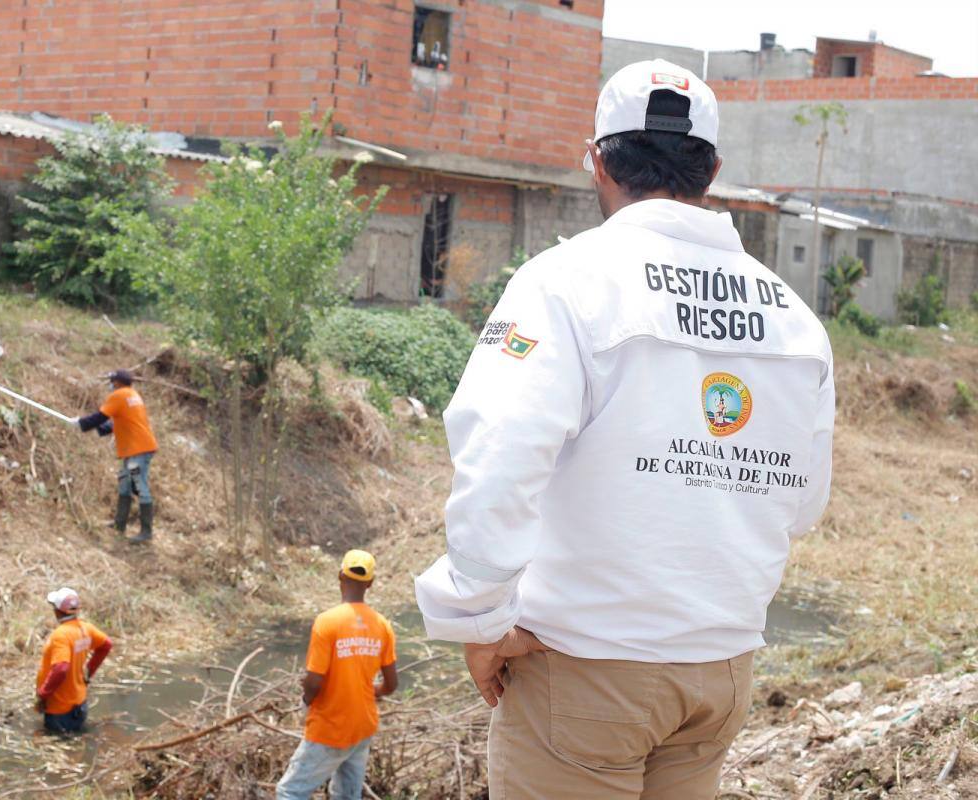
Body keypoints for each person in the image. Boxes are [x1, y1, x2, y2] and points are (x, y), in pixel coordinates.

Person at [414, 59, 835, 800]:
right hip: (722, 675)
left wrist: (478, 620)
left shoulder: (564, 283)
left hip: (586, 670)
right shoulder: (794, 319)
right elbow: (802, 507)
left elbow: (500, 452)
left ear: (599, 161)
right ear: (714, 171)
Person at [276, 550, 399, 800]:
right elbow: (391, 684)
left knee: (289, 792)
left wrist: (305, 702)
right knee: (346, 795)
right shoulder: (382, 625)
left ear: (339, 576)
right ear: (371, 584)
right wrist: (368, 691)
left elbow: (314, 681)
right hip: (363, 725)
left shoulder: (327, 622)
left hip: (331, 726)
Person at [77, 369, 159, 543]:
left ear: (117, 382)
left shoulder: (119, 395)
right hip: (137, 447)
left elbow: (101, 417)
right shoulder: (133, 395)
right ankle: (119, 524)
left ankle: (146, 533)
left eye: (112, 381)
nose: (110, 384)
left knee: (139, 485)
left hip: (138, 449)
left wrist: (81, 424)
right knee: (125, 485)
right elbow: (120, 422)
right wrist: (97, 428)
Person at [35, 587, 113, 734]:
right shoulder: (86, 629)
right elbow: (106, 644)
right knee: (76, 747)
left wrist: (42, 694)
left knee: (58, 749)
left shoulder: (61, 635)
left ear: (57, 611)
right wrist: (89, 672)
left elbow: (61, 668)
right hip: (80, 704)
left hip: (60, 709)